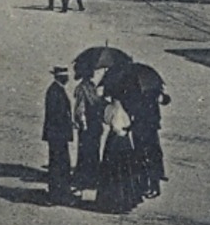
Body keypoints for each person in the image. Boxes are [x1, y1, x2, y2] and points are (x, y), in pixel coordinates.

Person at [95, 92, 143, 213]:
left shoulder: (111, 108)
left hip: (114, 141)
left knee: (112, 170)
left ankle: (110, 201)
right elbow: (128, 124)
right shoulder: (126, 109)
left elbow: (107, 120)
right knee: (125, 169)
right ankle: (126, 201)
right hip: (125, 141)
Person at [42, 66, 76, 205]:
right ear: (60, 77)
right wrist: (68, 123)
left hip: (57, 134)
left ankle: (60, 192)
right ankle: (58, 194)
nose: (68, 79)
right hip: (57, 134)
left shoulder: (57, 90)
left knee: (60, 164)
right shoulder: (55, 91)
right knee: (59, 164)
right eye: (65, 76)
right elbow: (57, 115)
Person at [72, 63, 103, 195]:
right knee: (86, 151)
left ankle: (92, 175)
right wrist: (84, 124)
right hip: (88, 124)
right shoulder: (82, 88)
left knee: (93, 150)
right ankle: (85, 177)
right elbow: (80, 108)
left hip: (94, 123)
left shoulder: (91, 86)